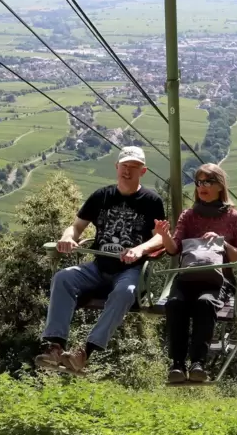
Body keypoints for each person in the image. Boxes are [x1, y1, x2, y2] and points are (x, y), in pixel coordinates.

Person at [35, 146, 166, 374]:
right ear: (117, 167)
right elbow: (77, 226)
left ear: (142, 171)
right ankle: (56, 347)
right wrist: (67, 237)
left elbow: (160, 239)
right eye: (124, 166)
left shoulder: (151, 201)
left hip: (129, 270)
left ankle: (85, 352)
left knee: (125, 292)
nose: (127, 171)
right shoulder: (101, 196)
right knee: (63, 277)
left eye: (133, 167)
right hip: (98, 266)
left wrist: (139, 250)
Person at [155, 163, 237, 383]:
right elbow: (173, 249)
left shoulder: (234, 218)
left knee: (204, 304)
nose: (202, 187)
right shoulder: (188, 216)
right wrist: (164, 235)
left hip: (218, 279)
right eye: (199, 182)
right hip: (187, 276)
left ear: (220, 185)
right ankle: (177, 365)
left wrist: (222, 243)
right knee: (175, 303)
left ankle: (198, 364)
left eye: (208, 182)